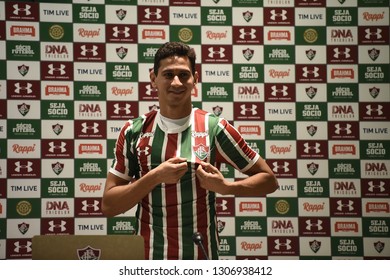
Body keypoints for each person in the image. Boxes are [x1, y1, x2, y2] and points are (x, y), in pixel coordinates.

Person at [102, 41, 278, 260]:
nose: (176, 82)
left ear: (195, 79)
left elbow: (269, 180)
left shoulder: (214, 128)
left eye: (184, 75)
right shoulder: (134, 131)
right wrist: (155, 176)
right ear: (153, 78)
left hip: (200, 256)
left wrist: (225, 187)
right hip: (148, 258)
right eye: (168, 74)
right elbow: (109, 205)